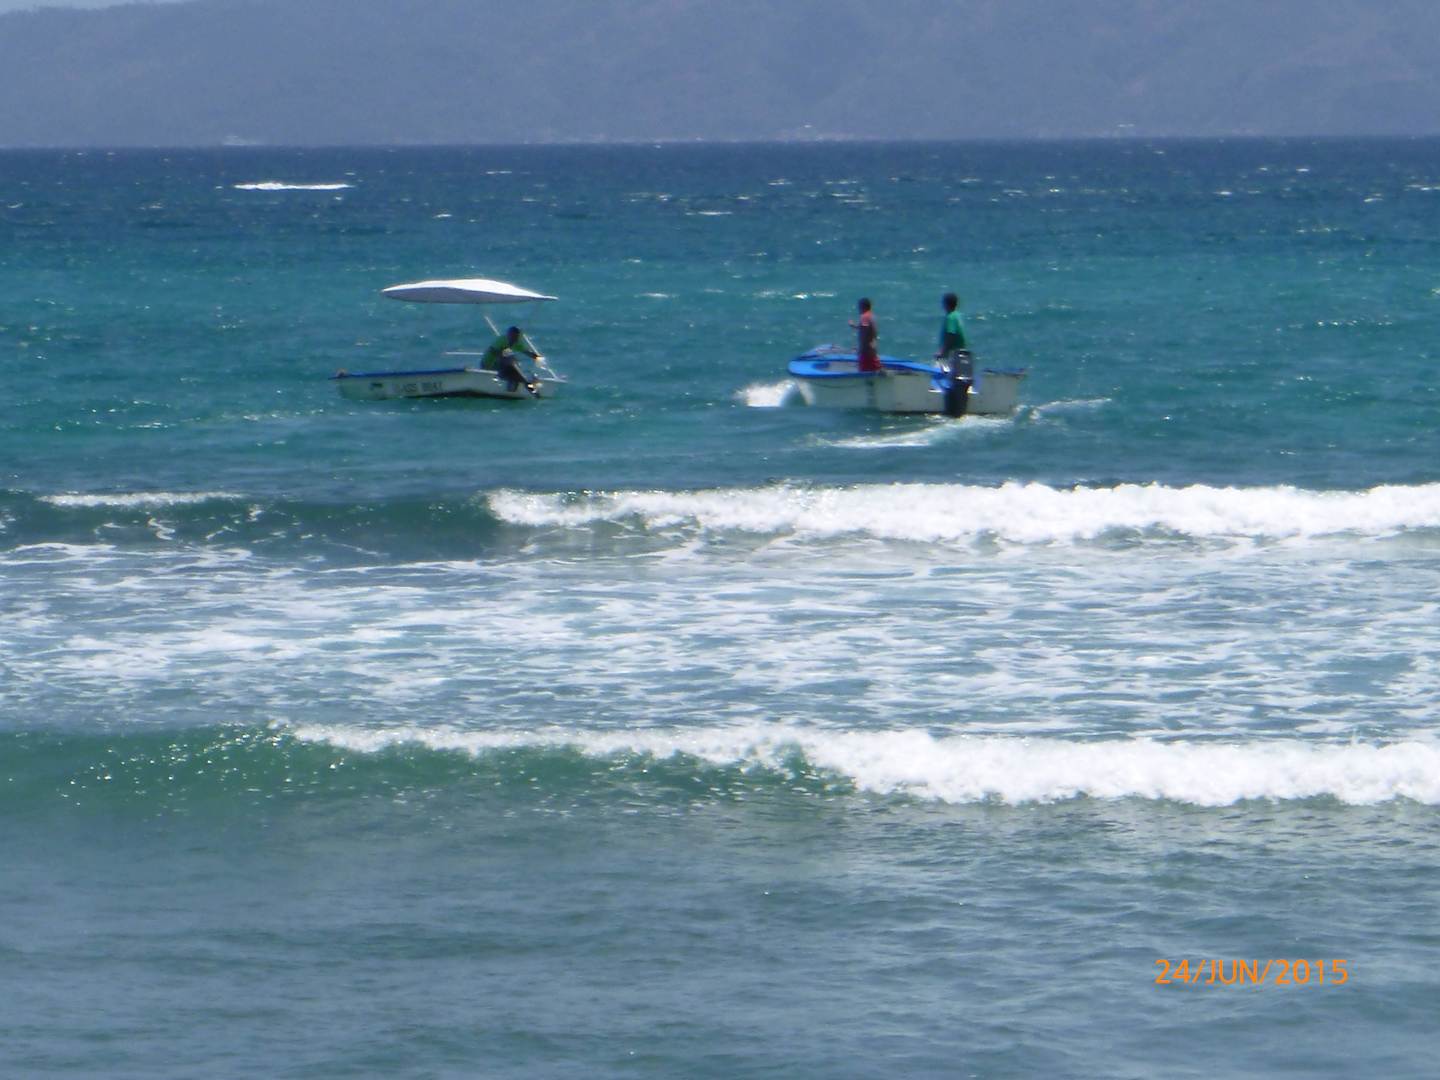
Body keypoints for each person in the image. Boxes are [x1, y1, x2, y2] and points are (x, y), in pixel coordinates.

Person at [482, 325, 541, 396]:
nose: (514, 338)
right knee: (511, 362)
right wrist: (504, 357)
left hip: (503, 366)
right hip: (489, 363)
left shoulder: (516, 343)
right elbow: (493, 350)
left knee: (515, 366)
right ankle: (524, 386)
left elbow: (527, 352)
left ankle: (526, 385)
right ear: (509, 335)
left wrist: (538, 357)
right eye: (513, 336)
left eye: (516, 336)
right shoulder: (502, 340)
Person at [935, 292, 972, 380]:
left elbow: (951, 334)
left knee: (943, 374)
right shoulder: (957, 315)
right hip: (960, 352)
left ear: (946, 304)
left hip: (953, 353)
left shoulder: (950, 317)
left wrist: (942, 351)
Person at [848, 298, 881, 373]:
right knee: (874, 370)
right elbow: (866, 328)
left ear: (862, 307)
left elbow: (865, 331)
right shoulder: (871, 316)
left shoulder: (864, 316)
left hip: (866, 351)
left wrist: (860, 348)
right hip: (872, 349)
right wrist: (854, 326)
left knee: (864, 372)